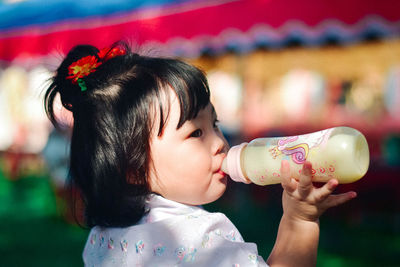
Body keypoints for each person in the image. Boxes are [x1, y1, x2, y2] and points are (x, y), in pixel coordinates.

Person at [44, 42, 357, 266]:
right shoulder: (203, 239)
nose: (220, 142)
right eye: (196, 132)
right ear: (133, 168)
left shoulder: (103, 238)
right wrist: (300, 221)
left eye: (215, 124)